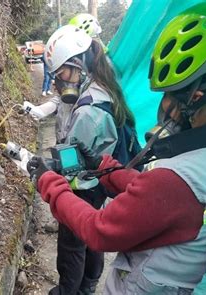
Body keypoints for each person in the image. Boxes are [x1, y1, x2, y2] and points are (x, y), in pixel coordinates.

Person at [28, 1, 206, 294]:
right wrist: (108, 169)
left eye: (169, 94)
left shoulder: (175, 181)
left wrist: (48, 183)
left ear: (195, 97)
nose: (165, 106)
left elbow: (99, 230)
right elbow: (168, 201)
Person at [37, 24, 137, 295]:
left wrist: (46, 171)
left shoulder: (88, 112)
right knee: (92, 235)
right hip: (101, 184)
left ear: (79, 64)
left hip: (84, 186)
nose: (59, 82)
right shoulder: (103, 88)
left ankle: (69, 290)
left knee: (72, 243)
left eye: (61, 74)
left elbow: (73, 162)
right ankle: (88, 286)